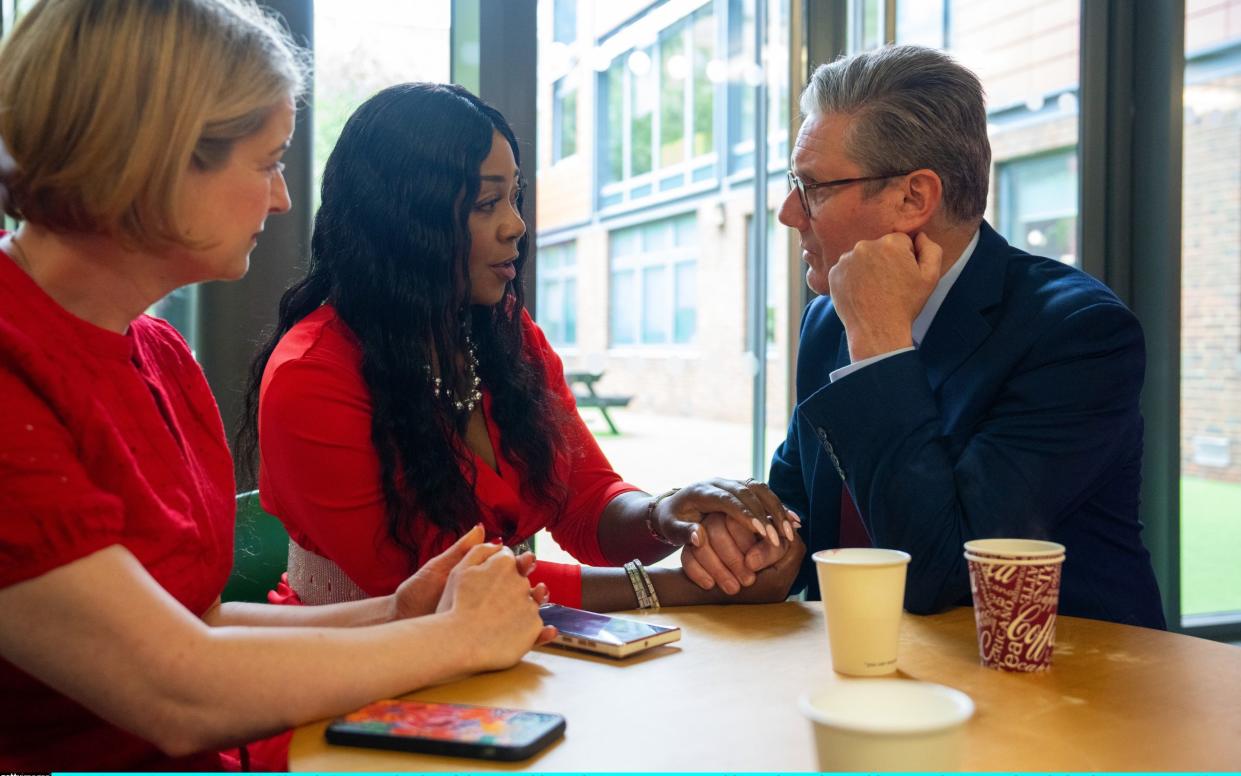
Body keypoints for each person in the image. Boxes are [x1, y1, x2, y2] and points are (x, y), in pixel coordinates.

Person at [0, 2, 556, 771]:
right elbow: (175, 691)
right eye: (266, 164)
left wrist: (395, 613)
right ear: (157, 155)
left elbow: (197, 622)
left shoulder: (158, 353)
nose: (282, 199)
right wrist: (453, 636)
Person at [239, 82, 803, 613]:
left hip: (500, 666)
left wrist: (673, 514)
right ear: (404, 221)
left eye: (515, 197)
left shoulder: (503, 332)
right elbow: (442, 585)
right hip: (353, 688)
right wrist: (684, 589)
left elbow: (587, 503)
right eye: (487, 204)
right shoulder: (310, 376)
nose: (517, 225)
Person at [681, 44, 1166, 629]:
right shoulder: (827, 319)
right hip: (874, 678)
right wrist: (751, 538)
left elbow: (937, 573)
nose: (788, 212)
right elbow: (800, 516)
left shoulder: (1075, 335)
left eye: (813, 188)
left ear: (914, 197)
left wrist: (880, 346)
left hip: (1063, 691)